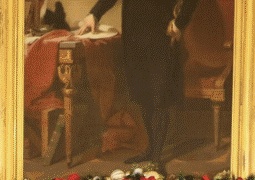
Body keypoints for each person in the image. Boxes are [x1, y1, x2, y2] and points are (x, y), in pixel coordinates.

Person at [79, 0, 199, 166]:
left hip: (162, 37)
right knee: (143, 95)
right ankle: (151, 150)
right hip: (134, 38)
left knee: (159, 97)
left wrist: (180, 23)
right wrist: (95, 14)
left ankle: (157, 159)